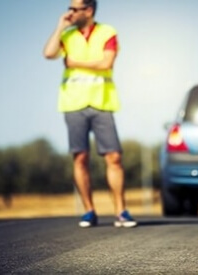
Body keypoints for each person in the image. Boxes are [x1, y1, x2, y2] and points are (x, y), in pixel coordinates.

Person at [43, 0, 137, 228]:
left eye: (75, 9)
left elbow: (107, 62)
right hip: (73, 104)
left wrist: (74, 61)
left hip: (102, 103)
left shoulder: (107, 32)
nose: (70, 12)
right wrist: (60, 27)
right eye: (69, 8)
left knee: (114, 157)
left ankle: (121, 211)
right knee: (80, 157)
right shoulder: (67, 35)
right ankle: (89, 211)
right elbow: (48, 53)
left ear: (89, 10)